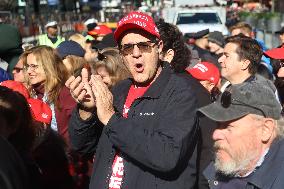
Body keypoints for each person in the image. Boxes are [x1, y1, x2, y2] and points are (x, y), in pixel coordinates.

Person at [66, 11, 199, 189]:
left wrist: (112, 120)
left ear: (159, 47)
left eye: (144, 46)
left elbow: (167, 155)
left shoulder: (180, 92)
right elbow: (81, 147)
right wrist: (86, 110)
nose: (136, 54)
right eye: (128, 48)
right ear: (121, 55)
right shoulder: (120, 90)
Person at [198, 81, 284, 189]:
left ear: (265, 130)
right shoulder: (221, 165)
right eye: (218, 125)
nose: (215, 134)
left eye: (228, 127)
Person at [22, 45, 76, 147]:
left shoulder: (65, 93)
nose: (29, 71)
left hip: (63, 157)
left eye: (34, 66)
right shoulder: (31, 93)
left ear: (49, 66)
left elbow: (75, 134)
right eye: (27, 66)